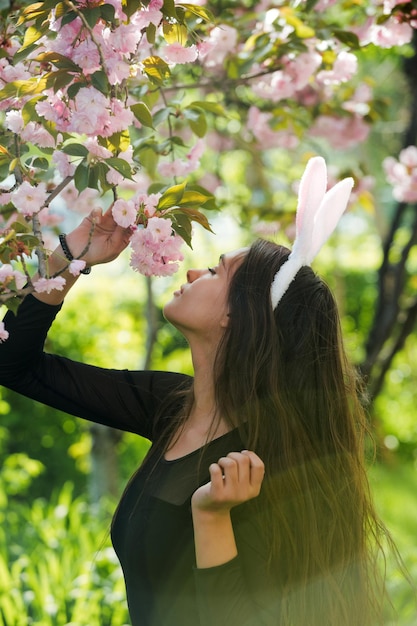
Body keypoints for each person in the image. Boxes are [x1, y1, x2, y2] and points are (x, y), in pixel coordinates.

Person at [0, 158, 395, 626]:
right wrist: (73, 254)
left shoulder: (268, 461)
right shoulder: (173, 406)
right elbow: (14, 365)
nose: (190, 274)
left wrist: (211, 517)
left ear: (237, 315)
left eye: (213, 270)